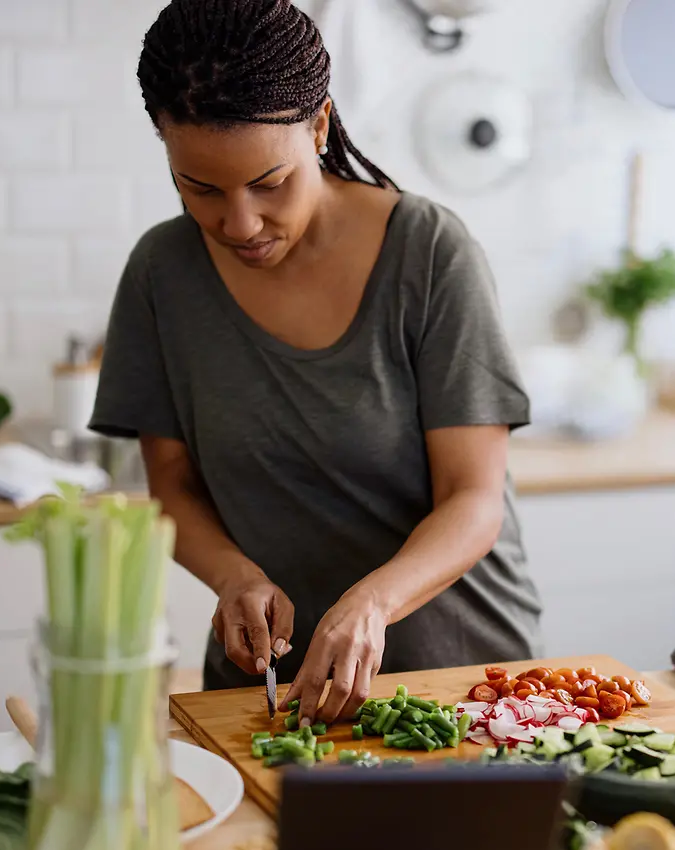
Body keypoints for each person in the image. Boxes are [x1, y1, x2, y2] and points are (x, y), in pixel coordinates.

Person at [90, 0, 542, 726]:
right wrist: (233, 576)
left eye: (270, 182)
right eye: (200, 188)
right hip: (267, 693)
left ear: (320, 125)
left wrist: (372, 604)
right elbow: (170, 485)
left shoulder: (430, 254)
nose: (239, 223)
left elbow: (474, 499)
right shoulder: (161, 274)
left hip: (461, 686)